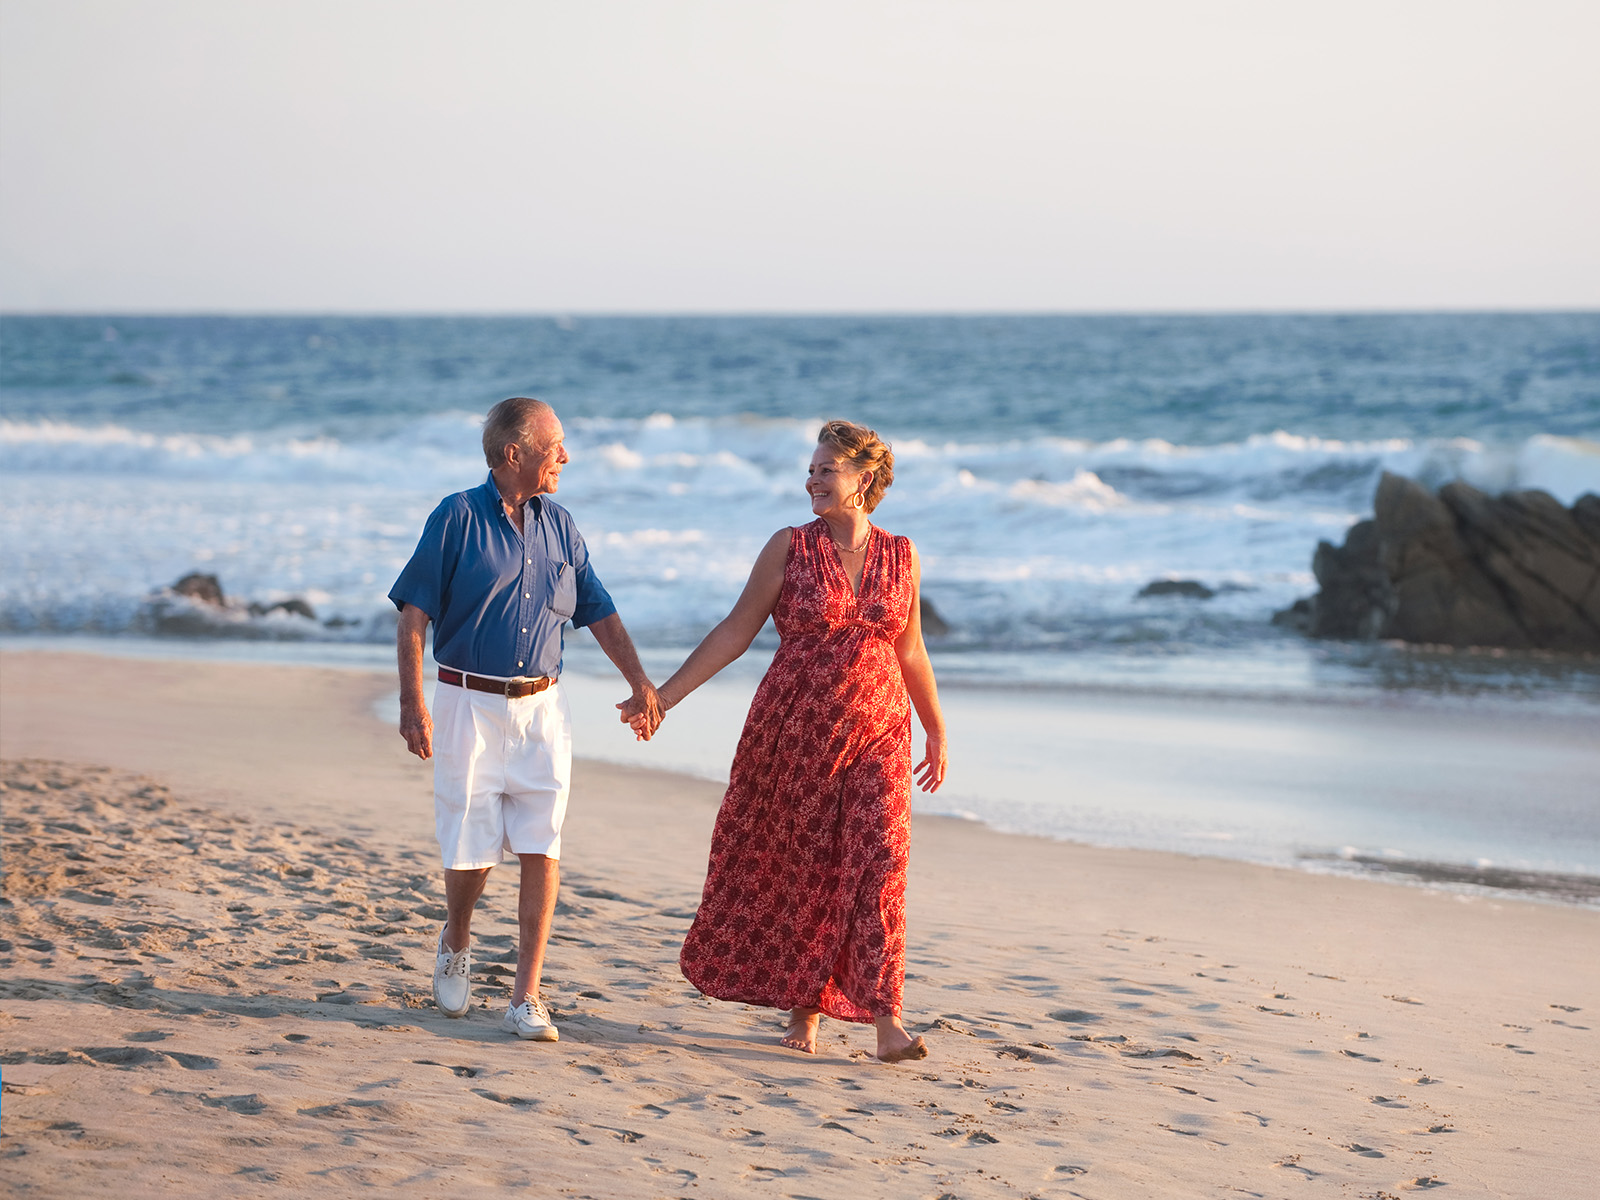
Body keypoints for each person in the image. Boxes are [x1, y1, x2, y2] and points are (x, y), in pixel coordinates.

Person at [625, 420, 947, 1062]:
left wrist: (936, 729)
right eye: (811, 470)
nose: (811, 481)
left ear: (863, 480)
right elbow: (736, 630)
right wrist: (663, 695)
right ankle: (806, 1010)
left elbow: (910, 649)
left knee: (881, 867)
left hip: (881, 734)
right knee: (806, 870)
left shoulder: (902, 554)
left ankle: (888, 1020)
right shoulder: (789, 547)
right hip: (795, 734)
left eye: (825, 470)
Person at [390, 397, 661, 1042]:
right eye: (554, 446)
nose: (565, 457)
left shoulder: (562, 524)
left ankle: (526, 995)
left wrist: (640, 682)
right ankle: (456, 937)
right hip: (467, 704)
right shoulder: (455, 517)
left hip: (544, 708)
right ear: (516, 454)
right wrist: (411, 703)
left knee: (543, 844)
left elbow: (597, 608)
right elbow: (413, 615)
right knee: (471, 848)